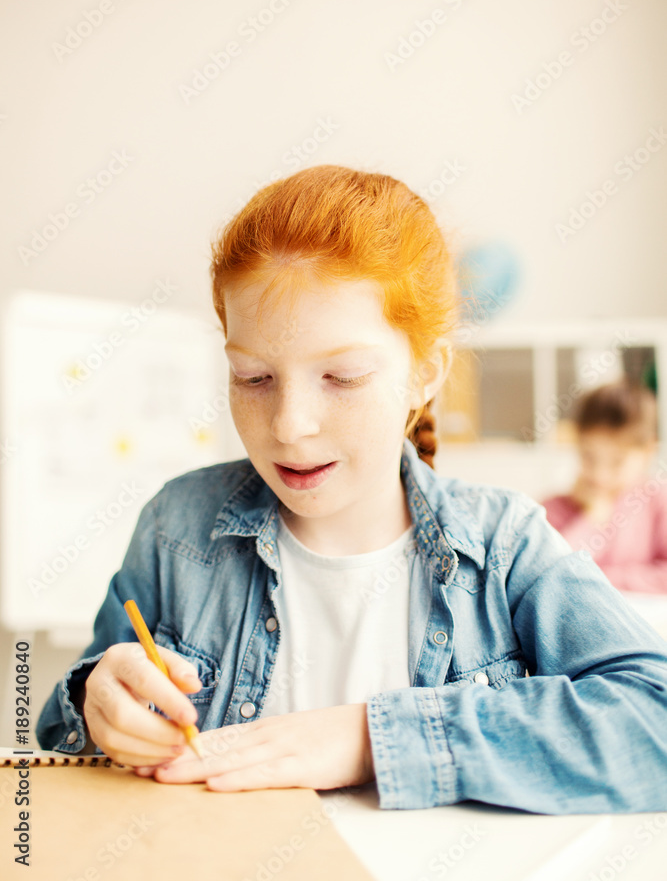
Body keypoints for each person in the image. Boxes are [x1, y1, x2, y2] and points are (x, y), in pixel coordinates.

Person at [37, 165, 667, 814]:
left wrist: (371, 738)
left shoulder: (504, 544)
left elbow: (655, 720)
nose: (289, 426)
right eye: (252, 377)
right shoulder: (176, 527)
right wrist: (94, 706)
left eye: (340, 377)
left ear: (425, 373)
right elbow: (63, 738)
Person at [542, 381, 667, 593]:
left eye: (617, 461)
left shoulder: (659, 503)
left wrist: (597, 579)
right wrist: (593, 518)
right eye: (588, 456)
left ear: (648, 451)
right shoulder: (554, 510)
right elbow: (553, 576)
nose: (600, 474)